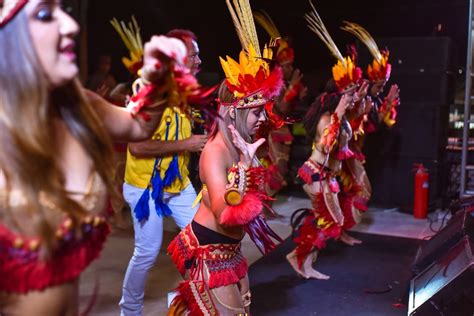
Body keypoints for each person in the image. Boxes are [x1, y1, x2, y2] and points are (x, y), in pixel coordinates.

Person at [0, 0, 192, 314]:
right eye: (46, 14)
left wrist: (154, 80)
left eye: (65, 10)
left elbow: (138, 125)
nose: (71, 26)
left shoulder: (79, 105)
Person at [167, 1, 282, 314]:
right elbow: (225, 213)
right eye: (257, 111)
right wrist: (244, 169)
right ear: (234, 110)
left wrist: (251, 164)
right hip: (206, 252)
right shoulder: (215, 153)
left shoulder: (242, 144)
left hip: (230, 251)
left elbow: (258, 200)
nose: (263, 118)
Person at [119, 28, 208, 315]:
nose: (199, 61)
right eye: (193, 55)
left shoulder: (184, 92)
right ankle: (129, 311)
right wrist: (189, 143)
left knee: (204, 240)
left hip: (178, 184)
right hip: (146, 188)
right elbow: (138, 147)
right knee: (146, 253)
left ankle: (188, 303)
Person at [286, 2, 365, 280]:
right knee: (328, 221)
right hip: (315, 174)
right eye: (351, 93)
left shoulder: (340, 118)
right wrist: (340, 114)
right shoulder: (326, 120)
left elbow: (345, 144)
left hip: (326, 175)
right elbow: (324, 147)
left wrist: (355, 107)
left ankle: (302, 260)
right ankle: (300, 260)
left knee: (327, 220)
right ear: (338, 97)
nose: (354, 96)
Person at [254, 11, 308, 197]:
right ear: (279, 66)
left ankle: (264, 203)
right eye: (287, 66)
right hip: (273, 131)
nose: (290, 69)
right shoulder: (274, 82)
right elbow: (281, 108)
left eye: (291, 65)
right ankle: (262, 204)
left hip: (283, 130)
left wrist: (298, 95)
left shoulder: (284, 83)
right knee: (277, 170)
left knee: (280, 170)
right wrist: (293, 90)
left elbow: (289, 109)